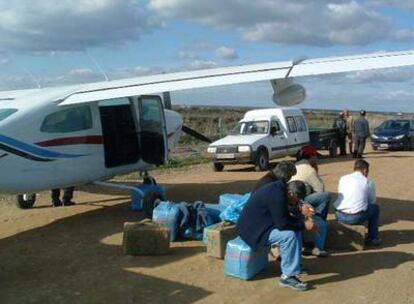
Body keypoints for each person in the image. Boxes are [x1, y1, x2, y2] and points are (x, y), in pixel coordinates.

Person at [237, 180, 317, 291]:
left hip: (262, 222)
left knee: (296, 229)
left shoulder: (280, 190)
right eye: (298, 199)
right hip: (253, 230)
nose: (298, 201)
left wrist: (301, 212)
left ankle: (295, 265)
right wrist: (304, 224)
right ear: (291, 193)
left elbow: (283, 214)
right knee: (289, 235)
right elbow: (283, 224)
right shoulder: (277, 196)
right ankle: (288, 277)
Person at [290, 145, 331, 257]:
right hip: (300, 199)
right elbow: (320, 190)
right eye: (315, 156)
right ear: (311, 157)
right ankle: (318, 218)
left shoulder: (296, 165)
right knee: (326, 196)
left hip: (292, 197)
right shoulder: (309, 170)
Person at [334, 160, 381, 246]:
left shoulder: (343, 178)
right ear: (365, 170)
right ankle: (373, 238)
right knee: (375, 208)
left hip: (339, 215)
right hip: (355, 217)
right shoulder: (368, 182)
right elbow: (372, 201)